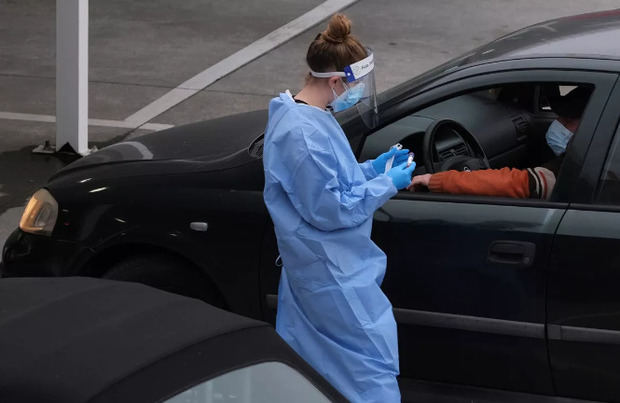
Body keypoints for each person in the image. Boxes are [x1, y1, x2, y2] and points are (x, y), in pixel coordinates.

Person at [262, 13, 415, 403]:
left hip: (325, 269)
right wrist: (386, 185)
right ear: (335, 82)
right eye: (355, 84)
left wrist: (372, 170)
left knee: (319, 371)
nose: (359, 92)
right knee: (370, 364)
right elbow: (329, 210)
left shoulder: (310, 118)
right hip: (332, 272)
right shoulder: (303, 134)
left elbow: (333, 180)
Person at [408, 86, 591, 199]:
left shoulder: (582, 167)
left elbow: (519, 184)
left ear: (593, 125)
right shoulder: (603, 154)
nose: (558, 126)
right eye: (559, 119)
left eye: (567, 122)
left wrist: (435, 180)